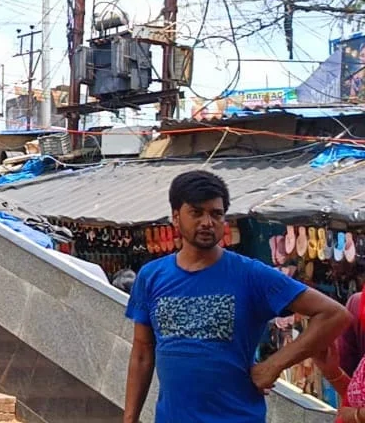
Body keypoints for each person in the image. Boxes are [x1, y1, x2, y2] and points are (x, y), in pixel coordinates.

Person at [123, 170, 351, 423]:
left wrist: (273, 365)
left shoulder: (251, 274)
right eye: (196, 212)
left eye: (216, 214)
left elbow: (334, 315)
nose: (207, 222)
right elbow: (143, 351)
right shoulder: (152, 276)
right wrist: (129, 418)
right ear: (176, 218)